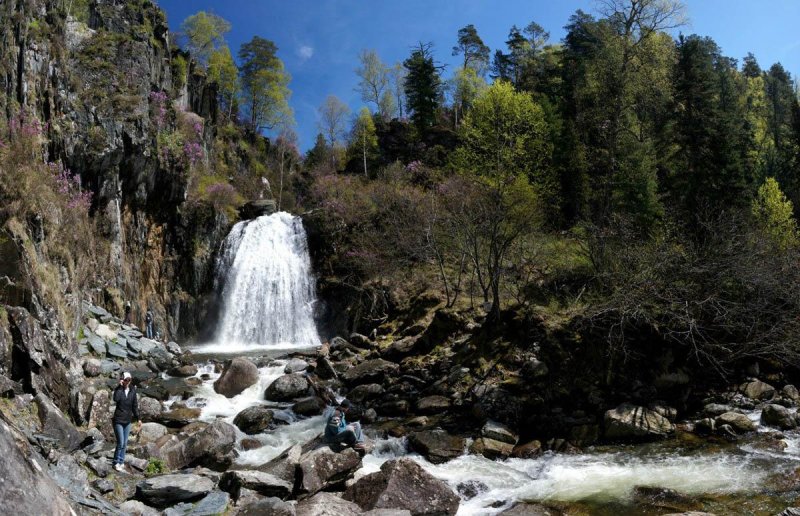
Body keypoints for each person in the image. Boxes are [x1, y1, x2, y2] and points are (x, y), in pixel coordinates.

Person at [112, 371, 141, 472]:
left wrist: (138, 418)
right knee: (120, 442)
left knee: (125, 443)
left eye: (129, 380)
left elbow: (135, 406)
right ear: (122, 380)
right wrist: (119, 387)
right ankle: (115, 462)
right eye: (125, 380)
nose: (127, 382)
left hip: (127, 420)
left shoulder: (133, 390)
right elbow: (116, 399)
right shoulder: (118, 390)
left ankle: (121, 461)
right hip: (118, 420)